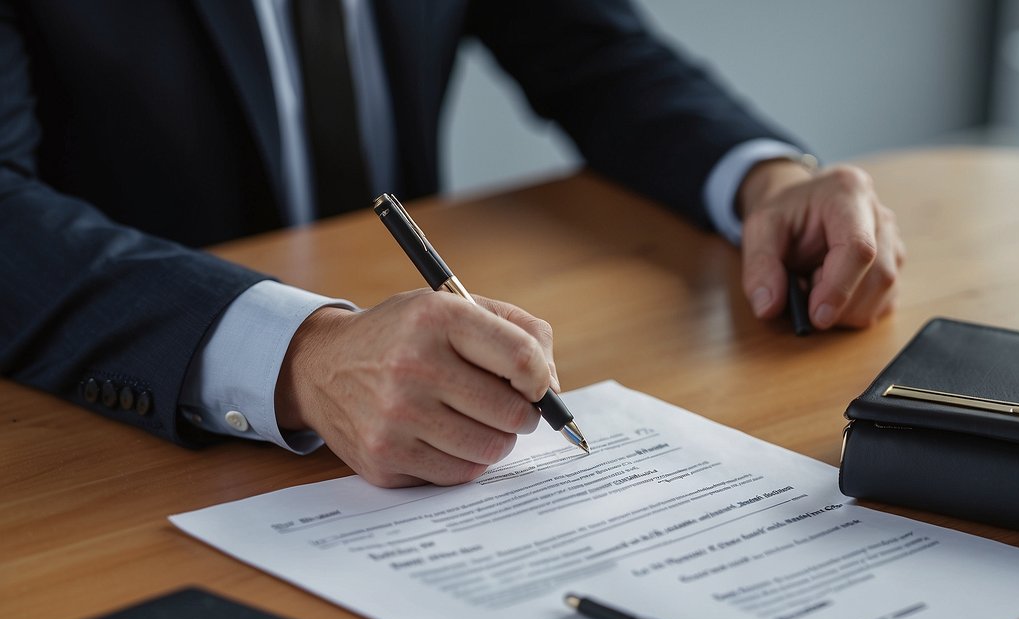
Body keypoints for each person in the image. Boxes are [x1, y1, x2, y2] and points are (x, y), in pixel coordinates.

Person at [0, 0, 903, 487]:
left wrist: (765, 177)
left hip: (397, 420)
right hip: (109, 440)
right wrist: (298, 355)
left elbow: (590, 47)